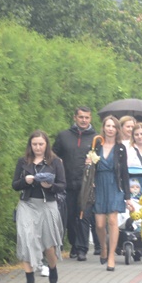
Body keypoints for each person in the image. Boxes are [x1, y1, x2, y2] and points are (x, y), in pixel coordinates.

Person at [13, 130, 66, 283]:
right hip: (27, 205)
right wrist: (25, 181)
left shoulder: (55, 162)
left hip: (47, 205)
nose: (37, 147)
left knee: (48, 243)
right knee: (26, 238)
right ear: (30, 145)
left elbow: (63, 185)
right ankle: (30, 279)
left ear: (46, 145)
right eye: (34, 144)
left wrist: (50, 186)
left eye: (41, 144)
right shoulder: (23, 162)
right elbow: (15, 185)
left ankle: (52, 266)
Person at [53, 106, 98, 261]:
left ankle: (82, 249)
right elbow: (53, 154)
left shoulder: (96, 138)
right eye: (81, 117)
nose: (84, 120)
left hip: (86, 185)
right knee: (70, 217)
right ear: (75, 118)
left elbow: (102, 161)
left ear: (90, 118)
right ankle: (73, 244)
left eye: (86, 117)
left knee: (84, 216)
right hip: (66, 183)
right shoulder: (64, 136)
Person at [90, 116, 133, 270]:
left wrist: (128, 197)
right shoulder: (96, 146)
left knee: (113, 221)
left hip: (115, 185)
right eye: (107, 126)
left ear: (117, 129)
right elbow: (90, 168)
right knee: (100, 224)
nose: (110, 129)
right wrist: (89, 167)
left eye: (113, 126)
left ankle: (111, 256)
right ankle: (103, 247)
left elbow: (124, 172)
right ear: (103, 128)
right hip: (99, 185)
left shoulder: (121, 148)